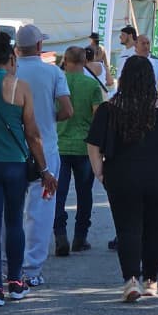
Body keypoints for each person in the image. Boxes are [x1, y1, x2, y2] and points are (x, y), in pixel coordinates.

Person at [86, 56, 158, 302]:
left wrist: (99, 171)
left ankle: (131, 280)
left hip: (121, 172)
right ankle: (151, 280)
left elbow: (93, 144)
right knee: (155, 228)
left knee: (127, 228)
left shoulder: (110, 107)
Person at [0, 31, 55, 307]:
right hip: (14, 163)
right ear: (11, 57)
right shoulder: (20, 87)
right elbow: (33, 134)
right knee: (14, 221)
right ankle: (16, 282)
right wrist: (44, 169)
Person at [13, 25, 71, 275]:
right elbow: (68, 110)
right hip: (46, 147)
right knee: (41, 209)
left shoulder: (10, 72)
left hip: (14, 147)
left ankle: (9, 266)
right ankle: (32, 268)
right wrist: (49, 117)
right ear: (39, 47)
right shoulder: (53, 72)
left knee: (12, 208)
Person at [55, 47, 105, 253]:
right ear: (85, 61)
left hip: (59, 144)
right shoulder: (92, 85)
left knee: (59, 193)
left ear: (65, 61)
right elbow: (98, 117)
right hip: (85, 147)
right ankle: (80, 236)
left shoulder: (56, 82)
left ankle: (59, 234)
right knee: (85, 194)